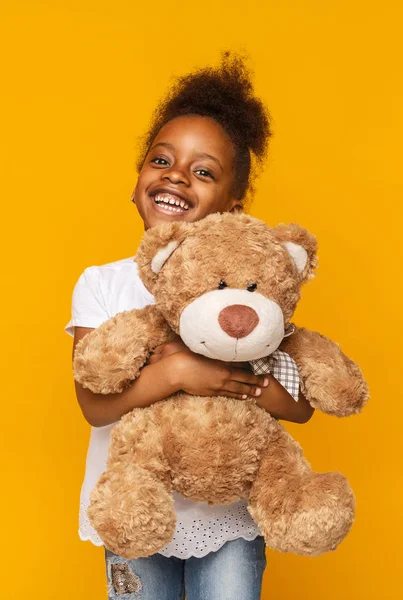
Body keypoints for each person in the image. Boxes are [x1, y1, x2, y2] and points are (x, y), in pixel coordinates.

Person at [65, 51, 314, 600]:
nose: (176, 175)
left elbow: (300, 404)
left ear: (232, 207)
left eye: (204, 171)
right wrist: (178, 371)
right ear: (136, 181)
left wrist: (253, 387)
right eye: (161, 160)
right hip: (134, 507)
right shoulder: (101, 283)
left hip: (228, 516)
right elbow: (94, 403)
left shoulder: (249, 292)